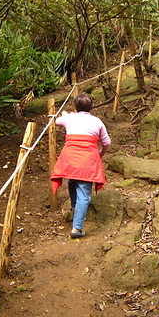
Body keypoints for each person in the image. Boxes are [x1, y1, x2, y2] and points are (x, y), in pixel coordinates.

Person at [50, 94, 111, 239]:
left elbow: (57, 120)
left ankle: (73, 207)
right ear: (91, 107)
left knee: (72, 180)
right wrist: (100, 153)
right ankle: (77, 228)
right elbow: (107, 142)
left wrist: (67, 115)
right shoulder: (97, 121)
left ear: (75, 106)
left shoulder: (69, 118)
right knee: (84, 191)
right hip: (88, 158)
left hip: (70, 158)